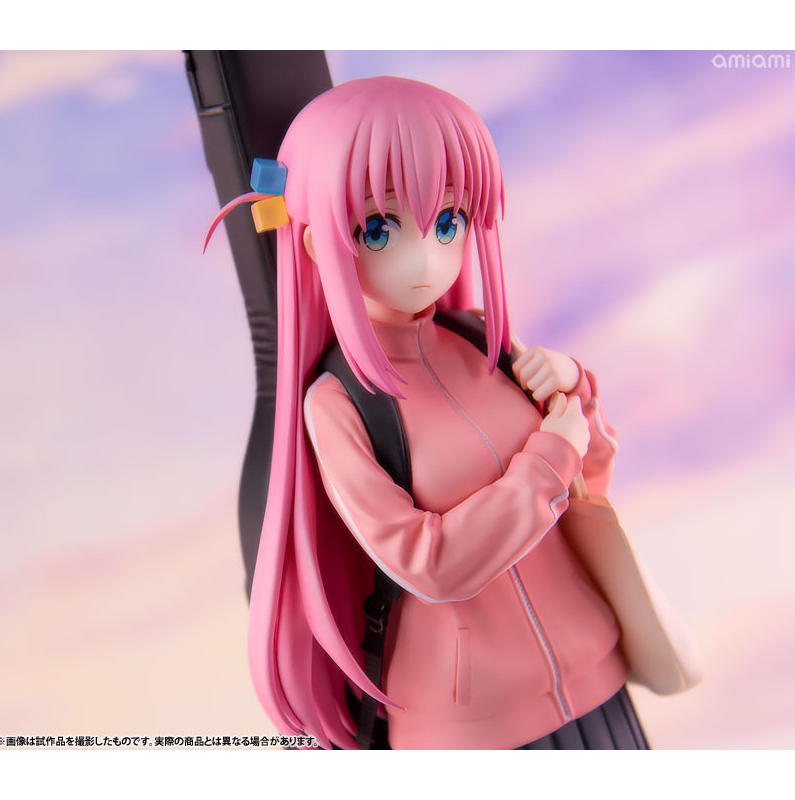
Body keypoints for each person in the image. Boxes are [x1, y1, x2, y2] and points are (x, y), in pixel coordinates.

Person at [208, 75, 647, 750]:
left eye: (448, 222)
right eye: (379, 229)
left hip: (598, 682)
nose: (426, 259)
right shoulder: (340, 403)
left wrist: (575, 389)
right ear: (321, 242)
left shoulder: (480, 338)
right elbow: (428, 563)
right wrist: (546, 462)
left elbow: (591, 486)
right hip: (467, 727)